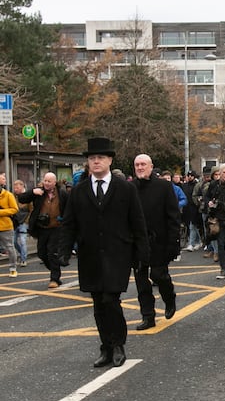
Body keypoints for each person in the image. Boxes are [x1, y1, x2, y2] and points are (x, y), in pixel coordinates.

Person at [58, 137, 149, 367]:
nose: (96, 162)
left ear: (109, 160)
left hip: (117, 255)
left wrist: (142, 255)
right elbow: (69, 224)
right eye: (91, 158)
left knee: (111, 300)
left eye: (100, 158)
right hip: (90, 256)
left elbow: (137, 223)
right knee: (98, 303)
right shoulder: (79, 192)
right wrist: (64, 251)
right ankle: (105, 347)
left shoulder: (125, 189)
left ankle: (117, 344)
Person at [132, 154, 181, 330]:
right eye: (137, 164)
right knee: (141, 282)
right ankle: (148, 316)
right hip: (137, 243)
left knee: (158, 276)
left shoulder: (164, 187)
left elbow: (173, 216)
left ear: (151, 167)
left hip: (159, 242)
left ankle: (169, 298)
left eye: (143, 164)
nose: (140, 167)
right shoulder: (130, 188)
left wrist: (173, 243)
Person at [17, 172, 69, 288]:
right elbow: (21, 199)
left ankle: (54, 278)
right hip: (42, 228)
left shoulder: (62, 194)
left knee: (52, 253)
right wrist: (32, 192)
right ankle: (55, 270)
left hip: (56, 228)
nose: (46, 183)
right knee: (42, 254)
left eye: (49, 181)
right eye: (45, 180)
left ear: (54, 183)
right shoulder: (38, 192)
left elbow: (69, 209)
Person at [0, 172, 19, 278]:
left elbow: (14, 209)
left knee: (10, 247)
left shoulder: (8, 195)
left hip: (6, 226)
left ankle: (13, 268)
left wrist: (1, 212)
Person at [181, 170, 202, 251]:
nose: (190, 177)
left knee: (192, 225)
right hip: (186, 208)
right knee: (190, 225)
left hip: (194, 208)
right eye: (188, 175)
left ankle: (191, 243)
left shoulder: (197, 185)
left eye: (192, 175)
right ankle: (198, 241)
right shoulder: (184, 185)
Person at [12, 179, 31, 268]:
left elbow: (31, 210)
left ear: (22, 186)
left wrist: (27, 221)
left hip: (24, 221)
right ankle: (22, 253)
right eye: (15, 187)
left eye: (17, 187)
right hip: (15, 222)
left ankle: (23, 259)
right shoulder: (13, 196)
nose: (15, 189)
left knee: (23, 241)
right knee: (14, 242)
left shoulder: (27, 196)